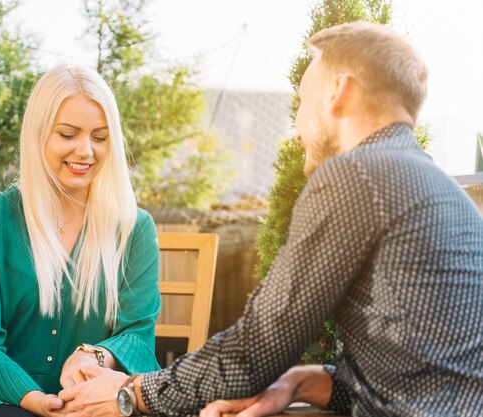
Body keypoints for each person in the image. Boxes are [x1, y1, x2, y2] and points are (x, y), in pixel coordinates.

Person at [57, 21, 483, 417]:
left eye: (301, 102)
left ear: (339, 92)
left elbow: (255, 350)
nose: (296, 130)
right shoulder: (441, 190)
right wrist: (302, 380)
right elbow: (422, 373)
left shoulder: (358, 173)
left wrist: (132, 393)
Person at [0, 65, 161, 417]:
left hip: (94, 404)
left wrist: (96, 354)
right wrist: (36, 400)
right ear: (38, 135)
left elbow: (138, 338)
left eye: (100, 137)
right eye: (68, 134)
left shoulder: (134, 228)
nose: (86, 150)